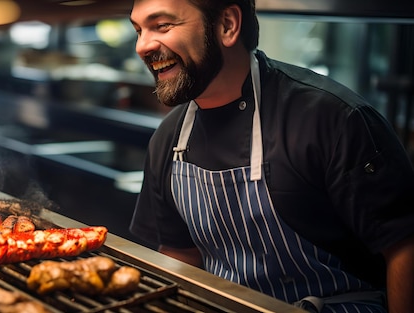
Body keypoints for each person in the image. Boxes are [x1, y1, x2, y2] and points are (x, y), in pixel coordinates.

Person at [128, 0, 414, 312]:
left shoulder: (331, 118)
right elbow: (181, 255)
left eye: (162, 25)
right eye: (139, 30)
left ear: (227, 25)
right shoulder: (169, 138)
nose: (143, 46)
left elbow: (404, 247)